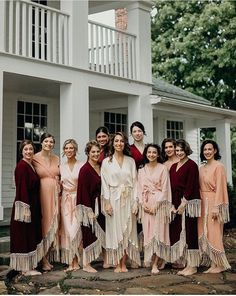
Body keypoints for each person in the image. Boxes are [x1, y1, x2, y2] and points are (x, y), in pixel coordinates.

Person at [101, 132, 140, 272]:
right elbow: (104, 184)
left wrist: (136, 202)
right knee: (115, 231)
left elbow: (135, 182)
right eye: (116, 141)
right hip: (113, 198)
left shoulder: (131, 161)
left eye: (122, 141)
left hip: (128, 198)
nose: (119, 143)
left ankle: (124, 263)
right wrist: (106, 203)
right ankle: (117, 263)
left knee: (127, 230)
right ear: (112, 143)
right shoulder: (107, 162)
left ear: (125, 144)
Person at [10, 140, 43, 276]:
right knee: (23, 236)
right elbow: (22, 189)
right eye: (26, 149)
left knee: (30, 235)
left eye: (31, 149)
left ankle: (29, 266)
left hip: (32, 205)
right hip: (25, 207)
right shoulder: (22, 166)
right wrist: (25, 209)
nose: (29, 151)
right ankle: (25, 269)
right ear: (21, 152)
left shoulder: (30, 165)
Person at [138, 144, 171, 274]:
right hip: (146, 204)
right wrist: (143, 204)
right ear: (146, 154)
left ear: (158, 154)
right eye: (149, 152)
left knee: (159, 233)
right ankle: (151, 258)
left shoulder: (163, 168)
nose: (151, 154)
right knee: (148, 233)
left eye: (154, 152)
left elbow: (165, 188)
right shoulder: (141, 170)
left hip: (159, 204)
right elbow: (139, 189)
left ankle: (156, 263)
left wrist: (156, 205)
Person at [198, 140, 231, 273]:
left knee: (215, 233)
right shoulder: (201, 168)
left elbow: (221, 188)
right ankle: (213, 263)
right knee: (204, 233)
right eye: (205, 149)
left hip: (213, 202)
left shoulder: (219, 166)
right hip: (202, 203)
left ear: (215, 151)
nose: (207, 152)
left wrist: (217, 206)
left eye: (210, 149)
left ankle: (221, 264)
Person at [169, 139, 201, 276]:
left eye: (181, 150)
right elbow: (170, 186)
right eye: (177, 150)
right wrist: (171, 204)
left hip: (188, 202)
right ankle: (185, 262)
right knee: (179, 233)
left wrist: (184, 203)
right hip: (175, 202)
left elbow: (191, 185)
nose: (179, 152)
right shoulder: (173, 166)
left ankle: (192, 265)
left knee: (190, 233)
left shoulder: (192, 165)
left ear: (186, 150)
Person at [76, 140, 106, 273]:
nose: (95, 154)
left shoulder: (101, 166)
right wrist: (88, 211)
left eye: (98, 152)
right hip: (89, 206)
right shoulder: (84, 170)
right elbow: (82, 191)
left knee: (103, 232)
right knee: (88, 233)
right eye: (93, 152)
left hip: (102, 205)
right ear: (88, 153)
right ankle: (86, 264)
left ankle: (106, 260)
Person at [33, 132, 60, 271]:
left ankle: (48, 255)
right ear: (41, 142)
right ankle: (42, 259)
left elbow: (61, 174)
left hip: (55, 194)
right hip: (41, 194)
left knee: (53, 224)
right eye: (46, 141)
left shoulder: (56, 158)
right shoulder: (34, 158)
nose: (49, 144)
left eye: (51, 142)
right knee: (44, 223)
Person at [60, 139, 83, 271]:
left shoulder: (81, 165)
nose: (69, 150)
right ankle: (71, 262)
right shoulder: (61, 167)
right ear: (64, 151)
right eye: (66, 148)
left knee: (75, 230)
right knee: (68, 231)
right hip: (65, 200)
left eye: (71, 148)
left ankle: (78, 259)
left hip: (77, 200)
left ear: (75, 150)